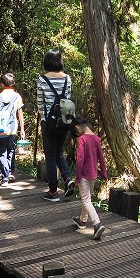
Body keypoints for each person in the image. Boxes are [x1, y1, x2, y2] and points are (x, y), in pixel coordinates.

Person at [37, 49, 75, 201]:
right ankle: (67, 178)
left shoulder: (42, 79)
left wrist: (44, 119)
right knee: (58, 152)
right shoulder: (67, 78)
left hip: (49, 121)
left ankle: (53, 191)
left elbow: (41, 102)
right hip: (64, 121)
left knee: (50, 156)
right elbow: (68, 99)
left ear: (47, 61)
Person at [70, 115, 108, 240]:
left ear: (77, 127)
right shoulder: (97, 139)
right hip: (94, 174)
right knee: (87, 199)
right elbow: (101, 158)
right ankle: (82, 220)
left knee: (86, 201)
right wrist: (104, 173)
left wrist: (77, 176)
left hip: (84, 175)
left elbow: (80, 160)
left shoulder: (82, 139)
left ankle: (97, 224)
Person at [0, 72, 25, 187]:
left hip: (0, 129)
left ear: (2, 84)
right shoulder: (17, 96)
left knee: (1, 152)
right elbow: (20, 114)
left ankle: (5, 177)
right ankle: (10, 172)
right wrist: (22, 129)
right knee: (10, 150)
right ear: (13, 83)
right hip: (13, 128)